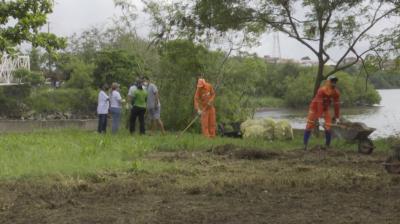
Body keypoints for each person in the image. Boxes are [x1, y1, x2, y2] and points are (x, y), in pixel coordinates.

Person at [303, 75, 340, 150]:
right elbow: (319, 104)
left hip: (325, 109)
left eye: (335, 81)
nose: (334, 83)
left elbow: (337, 105)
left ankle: (327, 146)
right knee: (309, 125)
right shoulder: (321, 90)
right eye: (332, 81)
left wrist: (337, 117)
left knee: (328, 127)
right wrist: (320, 118)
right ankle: (305, 145)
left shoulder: (336, 92)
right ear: (328, 82)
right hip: (314, 109)